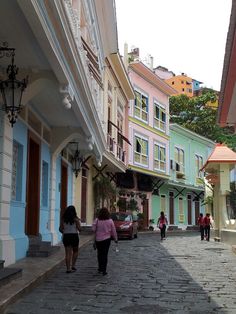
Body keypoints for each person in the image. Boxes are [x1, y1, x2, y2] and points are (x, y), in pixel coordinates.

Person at [92, 207, 118, 276]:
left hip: (98, 239)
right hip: (106, 239)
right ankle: (104, 270)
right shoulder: (110, 221)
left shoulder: (97, 220)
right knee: (105, 254)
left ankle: (100, 268)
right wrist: (115, 238)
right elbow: (113, 230)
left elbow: (93, 229)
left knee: (99, 254)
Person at [59, 205, 81, 273]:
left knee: (67, 253)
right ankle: (73, 265)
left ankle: (68, 269)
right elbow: (80, 229)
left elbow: (60, 229)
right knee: (75, 251)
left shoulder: (63, 219)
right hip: (74, 236)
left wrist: (64, 232)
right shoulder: (76, 219)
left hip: (66, 236)